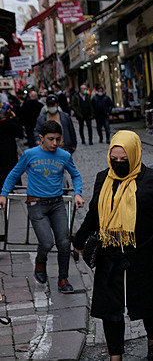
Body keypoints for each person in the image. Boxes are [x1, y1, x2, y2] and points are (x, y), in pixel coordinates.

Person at [73, 131, 153, 361]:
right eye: (114, 159)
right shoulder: (103, 178)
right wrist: (79, 241)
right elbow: (94, 214)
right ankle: (115, 355)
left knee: (149, 304)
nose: (118, 163)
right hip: (110, 255)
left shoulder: (152, 179)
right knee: (111, 310)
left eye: (124, 159)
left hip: (145, 253)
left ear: (134, 154)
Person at [0, 120, 84, 293]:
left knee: (63, 242)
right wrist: (3, 194)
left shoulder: (64, 156)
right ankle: (40, 261)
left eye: (58, 139)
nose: (55, 143)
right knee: (46, 242)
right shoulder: (30, 154)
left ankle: (63, 279)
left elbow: (75, 175)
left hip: (57, 203)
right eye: (51, 139)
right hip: (36, 204)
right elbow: (14, 173)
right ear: (41, 138)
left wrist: (78, 193)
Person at [0, 102, 23, 189]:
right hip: (9, 148)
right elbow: (20, 133)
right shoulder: (9, 123)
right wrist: (14, 119)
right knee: (9, 168)